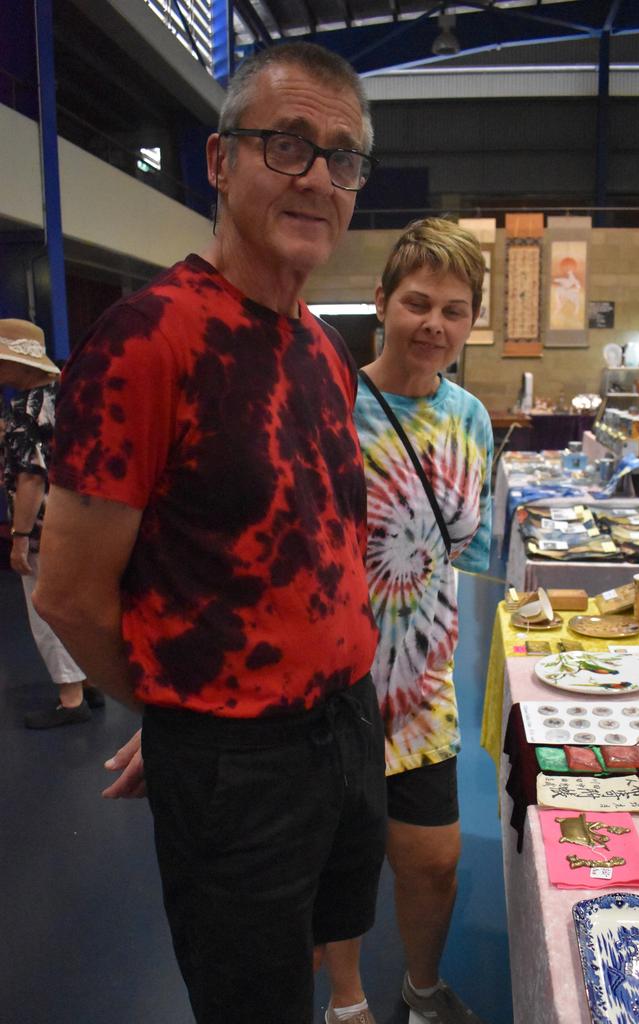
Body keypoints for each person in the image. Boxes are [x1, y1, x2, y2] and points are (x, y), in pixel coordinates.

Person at [33, 42, 386, 1024]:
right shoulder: (148, 340)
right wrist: (185, 712)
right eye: (288, 144)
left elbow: (316, 538)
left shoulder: (322, 347)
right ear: (220, 161)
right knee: (248, 1001)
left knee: (319, 950)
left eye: (342, 156)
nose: (318, 175)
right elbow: (66, 592)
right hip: (241, 764)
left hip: (347, 726)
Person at [324, 219, 493, 1024]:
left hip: (422, 685)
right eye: (418, 302)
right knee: (338, 862)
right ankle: (347, 1000)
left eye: (455, 310)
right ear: (381, 301)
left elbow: (468, 548)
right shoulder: (333, 407)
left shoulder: (470, 419)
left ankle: (421, 991)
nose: (435, 324)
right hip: (332, 680)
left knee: (436, 862)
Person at [0, 320, 101, 728]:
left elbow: (30, 477)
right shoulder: (68, 396)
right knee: (75, 607)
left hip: (44, 528)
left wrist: (20, 537)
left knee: (45, 610)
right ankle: (90, 681)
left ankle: (70, 697)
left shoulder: (24, 409)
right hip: (81, 520)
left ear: (20, 365)